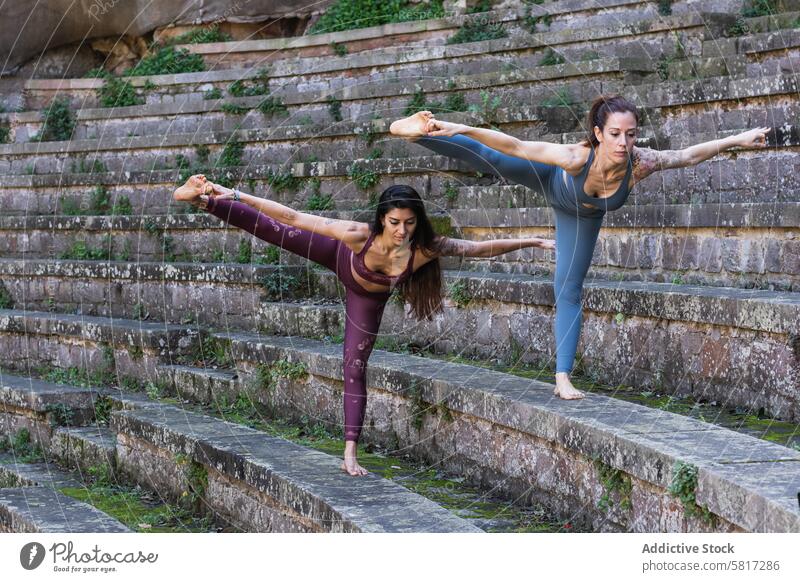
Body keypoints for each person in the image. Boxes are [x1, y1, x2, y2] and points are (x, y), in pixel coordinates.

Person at [390, 94, 772, 400]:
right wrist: (462, 126)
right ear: (599, 133)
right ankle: (415, 131)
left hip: (583, 217)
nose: (625, 142)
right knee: (494, 158)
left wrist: (736, 139)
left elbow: (689, 155)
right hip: (551, 180)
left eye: (631, 133)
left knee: (569, 288)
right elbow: (515, 143)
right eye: (616, 133)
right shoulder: (574, 157)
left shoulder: (641, 163)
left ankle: (562, 377)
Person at [173, 176, 555, 475]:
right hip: (340, 257)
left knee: (354, 366)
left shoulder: (425, 248)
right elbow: (290, 216)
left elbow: (476, 249)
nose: (401, 231)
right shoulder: (358, 234)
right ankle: (204, 199)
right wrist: (231, 194)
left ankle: (349, 452)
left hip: (367, 298)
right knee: (282, 233)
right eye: (394, 222)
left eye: (409, 222)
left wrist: (531, 242)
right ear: (381, 220)